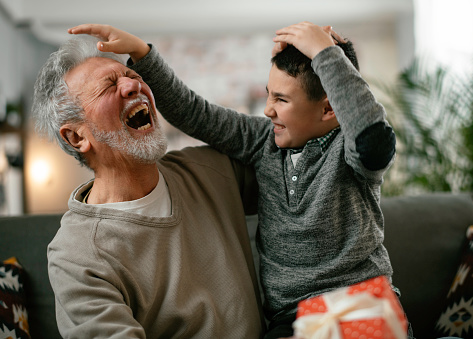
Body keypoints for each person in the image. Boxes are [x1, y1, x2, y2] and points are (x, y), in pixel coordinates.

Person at [68, 22, 398, 339]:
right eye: (269, 95)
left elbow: (374, 137)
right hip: (291, 318)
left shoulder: (353, 152)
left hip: (359, 300)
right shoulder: (262, 140)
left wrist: (326, 53)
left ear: (329, 109)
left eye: (281, 100)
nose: (268, 109)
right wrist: (142, 54)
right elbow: (194, 113)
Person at [32, 33, 266, 338]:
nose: (133, 85)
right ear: (77, 137)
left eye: (132, 75)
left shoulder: (211, 169)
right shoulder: (76, 256)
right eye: (108, 86)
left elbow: (287, 155)